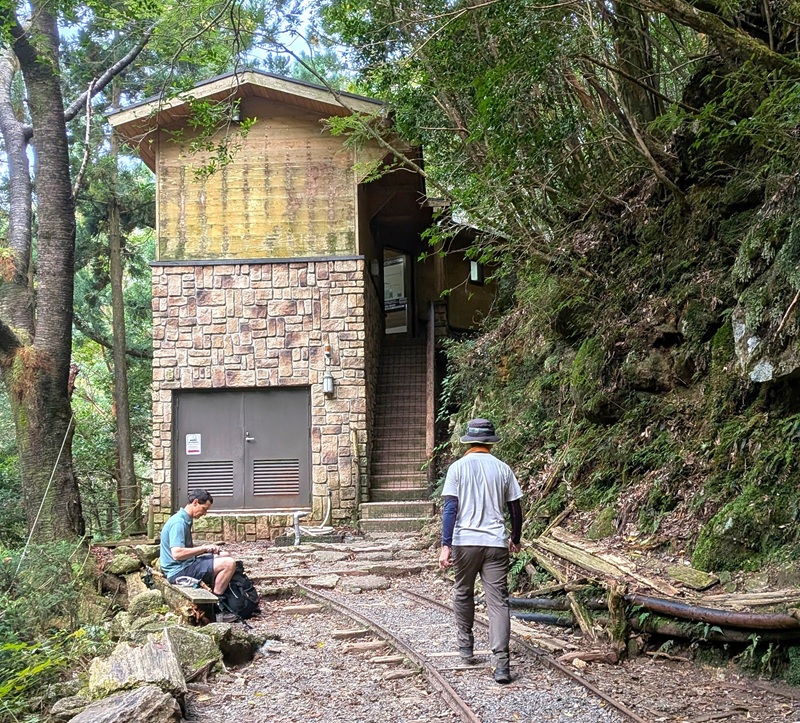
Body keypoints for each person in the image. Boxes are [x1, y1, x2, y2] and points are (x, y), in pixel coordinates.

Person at [438, 418, 523, 685]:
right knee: (498, 603)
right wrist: (515, 538)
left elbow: (451, 508)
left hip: (465, 542)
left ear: (469, 442)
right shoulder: (503, 469)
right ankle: (501, 666)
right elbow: (516, 509)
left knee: (463, 592)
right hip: (496, 543)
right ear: (490, 443)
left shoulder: (457, 468)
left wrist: (445, 544)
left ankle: (466, 647)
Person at [159, 489, 236, 598]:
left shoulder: (183, 519)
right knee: (228, 563)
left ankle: (217, 588)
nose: (204, 514)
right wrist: (204, 549)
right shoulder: (178, 523)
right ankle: (217, 602)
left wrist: (207, 549)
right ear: (195, 502)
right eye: (204, 509)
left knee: (224, 555)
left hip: (186, 564)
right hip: (178, 571)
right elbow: (177, 554)